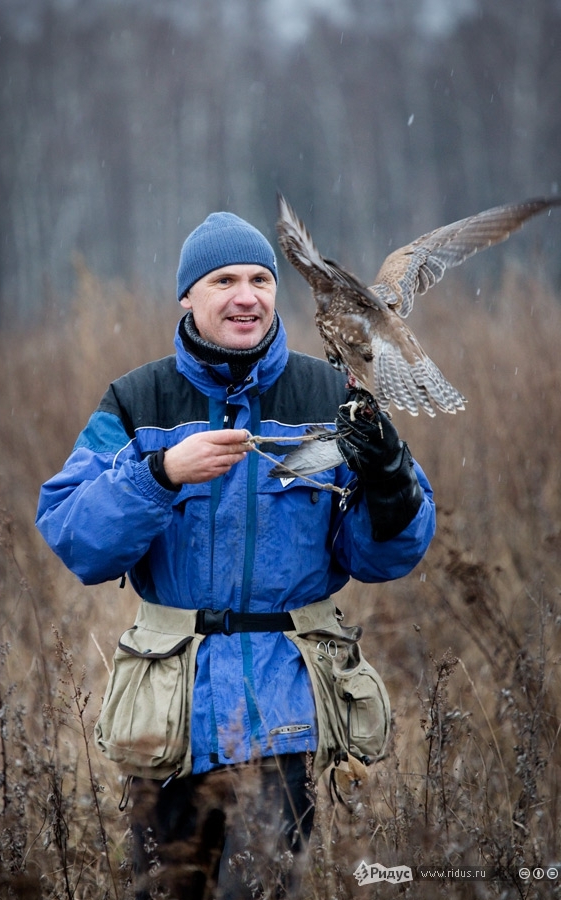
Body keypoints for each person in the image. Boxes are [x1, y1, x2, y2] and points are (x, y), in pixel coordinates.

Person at [36, 211, 436, 899]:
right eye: (223, 280)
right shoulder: (137, 402)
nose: (245, 295)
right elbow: (77, 537)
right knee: (167, 889)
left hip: (285, 708)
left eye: (259, 279)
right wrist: (159, 474)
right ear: (187, 297)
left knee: (261, 890)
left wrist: (390, 478)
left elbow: (385, 556)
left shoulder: (332, 393)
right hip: (167, 717)